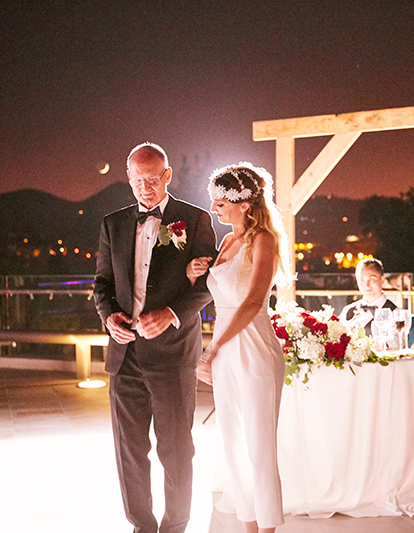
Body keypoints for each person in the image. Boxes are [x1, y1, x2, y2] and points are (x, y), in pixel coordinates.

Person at [94, 142, 217, 533]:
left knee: (177, 449)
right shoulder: (112, 224)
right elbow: (101, 284)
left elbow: (211, 283)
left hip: (172, 355)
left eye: (153, 179)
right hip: (124, 355)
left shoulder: (194, 220)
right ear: (128, 178)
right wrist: (108, 315)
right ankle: (141, 526)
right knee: (129, 450)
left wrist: (171, 314)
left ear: (167, 176)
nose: (146, 187)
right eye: (138, 179)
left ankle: (176, 526)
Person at [187, 162, 292, 533]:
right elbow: (216, 292)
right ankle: (248, 527)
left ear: (244, 204)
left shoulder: (263, 240)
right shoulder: (226, 242)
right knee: (231, 441)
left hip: (253, 345)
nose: (214, 210)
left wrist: (212, 350)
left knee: (259, 445)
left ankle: (267, 529)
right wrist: (194, 272)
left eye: (220, 203)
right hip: (226, 346)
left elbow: (251, 302)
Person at [339, 257, 399, 337]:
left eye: (371, 279)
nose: (366, 285)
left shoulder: (395, 313)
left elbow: (397, 341)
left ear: (382, 279)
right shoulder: (348, 310)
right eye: (362, 280)